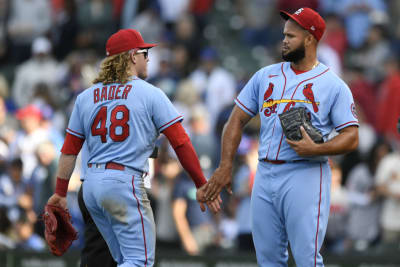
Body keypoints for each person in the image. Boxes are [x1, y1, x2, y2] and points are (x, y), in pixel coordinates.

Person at [45, 28, 221, 267]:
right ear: (132, 56)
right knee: (139, 261)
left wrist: (61, 191)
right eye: (145, 53)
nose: (148, 58)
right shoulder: (150, 93)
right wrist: (201, 183)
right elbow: (181, 141)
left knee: (117, 260)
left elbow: (69, 149)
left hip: (91, 184)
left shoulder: (85, 97)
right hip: (123, 181)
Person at [204, 7, 359, 267]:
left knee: (307, 259)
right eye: (284, 34)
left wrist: (317, 150)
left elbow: (352, 136)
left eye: (291, 36)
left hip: (305, 173)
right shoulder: (265, 75)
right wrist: (225, 165)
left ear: (310, 38)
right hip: (265, 173)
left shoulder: (333, 84)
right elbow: (235, 121)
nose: (284, 40)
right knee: (268, 261)